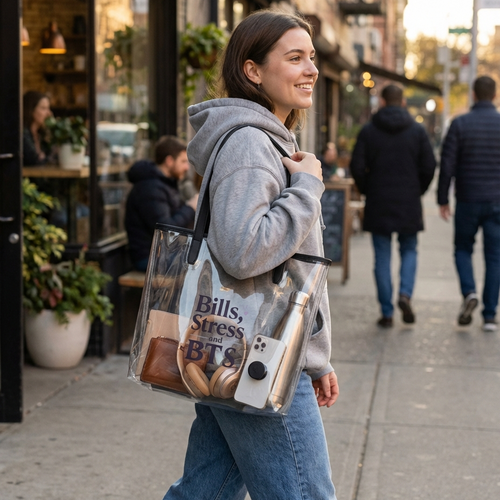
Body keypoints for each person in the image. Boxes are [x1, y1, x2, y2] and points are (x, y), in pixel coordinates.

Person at [163, 10, 339, 500]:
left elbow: (294, 263)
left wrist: (318, 359)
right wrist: (306, 188)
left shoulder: (268, 141)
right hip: (260, 357)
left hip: (237, 348)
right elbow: (244, 252)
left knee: (205, 492)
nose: (311, 70)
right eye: (295, 58)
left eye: (312, 59)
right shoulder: (248, 144)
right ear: (253, 70)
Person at [350, 84, 436, 328]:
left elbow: (357, 166)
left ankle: (387, 312)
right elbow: (430, 165)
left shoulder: (369, 131)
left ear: (383, 102)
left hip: (379, 201)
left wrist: (368, 188)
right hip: (409, 201)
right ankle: (405, 294)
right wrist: (418, 189)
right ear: (403, 103)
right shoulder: (417, 131)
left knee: (382, 256)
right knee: (409, 249)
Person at [437, 75, 500, 331]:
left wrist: (442, 199)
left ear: (474, 94)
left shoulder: (460, 124)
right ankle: (489, 315)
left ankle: (469, 292)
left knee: (463, 248)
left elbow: (447, 164)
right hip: (497, 201)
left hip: (468, 200)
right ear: (494, 95)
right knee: (495, 256)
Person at [125, 136, 198, 272]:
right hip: (149, 258)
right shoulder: (150, 188)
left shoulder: (165, 184)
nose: (187, 167)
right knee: (202, 264)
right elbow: (166, 230)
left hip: (163, 254)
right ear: (169, 161)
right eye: (183, 161)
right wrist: (190, 207)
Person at [23, 91, 52, 165]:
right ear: (31, 110)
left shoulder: (42, 134)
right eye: (43, 108)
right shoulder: (23, 134)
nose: (49, 113)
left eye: (48, 108)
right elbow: (33, 161)